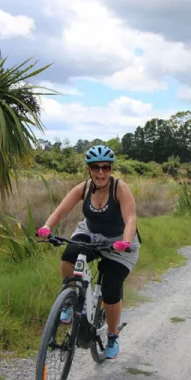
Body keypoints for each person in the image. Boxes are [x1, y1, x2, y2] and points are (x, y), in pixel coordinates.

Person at [36, 144, 139, 360]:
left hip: (119, 241)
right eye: (95, 167)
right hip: (90, 233)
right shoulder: (83, 188)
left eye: (105, 167)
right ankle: (70, 298)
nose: (100, 172)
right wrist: (47, 227)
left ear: (111, 169)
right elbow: (61, 210)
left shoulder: (120, 188)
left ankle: (112, 335)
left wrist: (126, 241)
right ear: (89, 169)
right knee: (68, 256)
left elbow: (130, 218)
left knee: (111, 288)